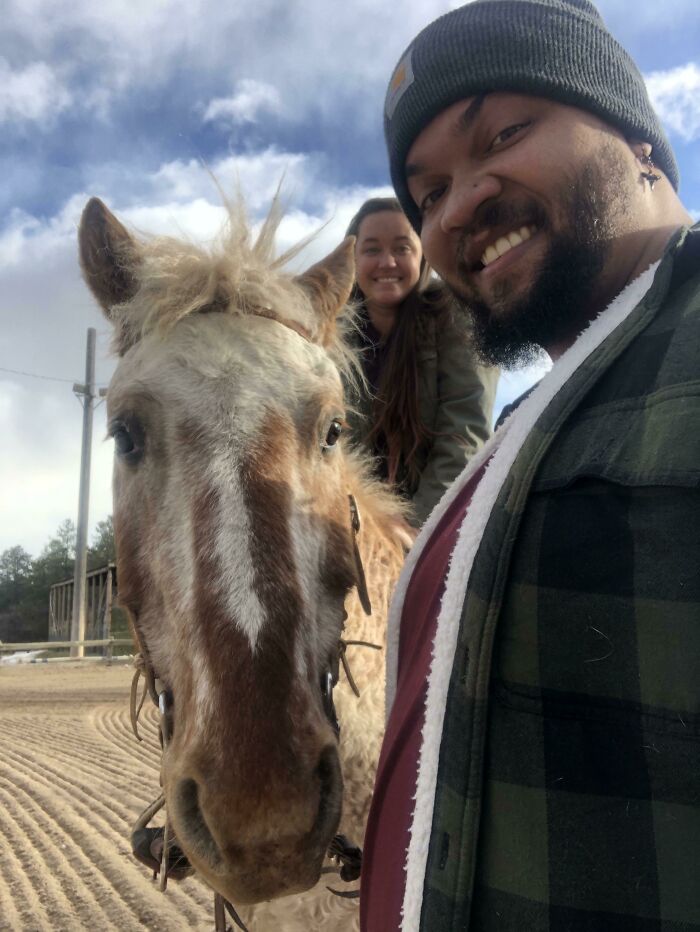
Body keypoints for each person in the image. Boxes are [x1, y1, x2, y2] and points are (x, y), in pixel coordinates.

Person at [360, 1, 700, 930]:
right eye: (428, 193)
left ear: (635, 131)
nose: (461, 202)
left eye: (505, 132)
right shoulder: (538, 424)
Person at [344, 197, 498, 527]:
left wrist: (412, 527)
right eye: (371, 250)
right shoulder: (332, 336)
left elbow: (465, 433)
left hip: (432, 519)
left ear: (423, 255)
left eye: (402, 248)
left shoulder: (456, 316)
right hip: (349, 522)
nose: (387, 262)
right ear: (352, 260)